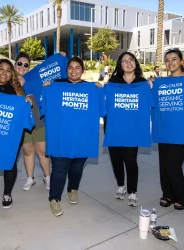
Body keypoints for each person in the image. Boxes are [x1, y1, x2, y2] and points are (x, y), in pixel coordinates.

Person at [43, 57, 102, 216]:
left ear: (83, 71)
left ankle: (73, 189)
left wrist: (99, 89)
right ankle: (54, 199)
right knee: (59, 170)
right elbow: (42, 107)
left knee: (76, 168)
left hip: (82, 138)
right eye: (70, 67)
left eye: (77, 67)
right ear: (66, 69)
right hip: (60, 138)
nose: (73, 70)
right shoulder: (54, 87)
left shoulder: (92, 89)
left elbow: (104, 109)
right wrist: (47, 88)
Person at [0, 59, 32, 212]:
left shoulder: (17, 90)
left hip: (12, 134)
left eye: (8, 70)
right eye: (1, 69)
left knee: (10, 163)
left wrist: (27, 102)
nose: (4, 72)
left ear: (12, 73)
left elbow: (24, 111)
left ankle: (7, 194)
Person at [107, 52, 147, 207]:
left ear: (135, 63)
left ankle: (132, 191)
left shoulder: (143, 83)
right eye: (124, 61)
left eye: (131, 60)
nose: (128, 63)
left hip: (133, 131)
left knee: (130, 161)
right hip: (114, 130)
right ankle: (121, 186)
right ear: (120, 65)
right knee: (116, 161)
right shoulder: (113, 82)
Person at [14, 52, 50, 191]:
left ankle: (48, 177)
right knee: (28, 151)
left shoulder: (35, 79)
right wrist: (17, 85)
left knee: (42, 150)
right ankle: (30, 178)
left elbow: (54, 78)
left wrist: (47, 85)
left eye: (26, 65)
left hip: (37, 117)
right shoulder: (8, 80)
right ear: (15, 64)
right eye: (20, 64)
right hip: (22, 121)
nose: (22, 67)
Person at [157, 48, 184, 210]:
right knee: (164, 165)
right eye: (167, 60)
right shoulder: (161, 83)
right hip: (164, 130)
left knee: (172, 165)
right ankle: (168, 194)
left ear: (181, 61)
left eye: (174, 59)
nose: (170, 63)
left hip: (181, 132)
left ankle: (181, 195)